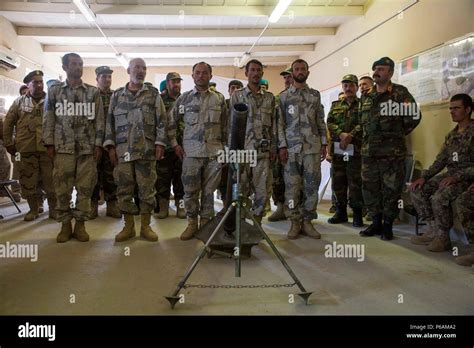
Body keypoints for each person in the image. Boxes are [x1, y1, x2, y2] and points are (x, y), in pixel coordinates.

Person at [43, 53, 104, 243]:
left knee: (85, 189)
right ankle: (64, 225)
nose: (78, 67)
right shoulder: (54, 91)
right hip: (63, 149)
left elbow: (99, 120)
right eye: (74, 64)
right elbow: (48, 117)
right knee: (62, 189)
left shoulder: (93, 92)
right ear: (65, 67)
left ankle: (80, 225)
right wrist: (49, 143)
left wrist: (98, 145)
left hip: (87, 149)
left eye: (81, 64)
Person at [104, 58, 167, 242]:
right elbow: (110, 123)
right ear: (129, 70)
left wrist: (160, 144)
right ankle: (128, 226)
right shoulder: (117, 96)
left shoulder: (153, 95)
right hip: (123, 151)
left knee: (147, 189)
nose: (141, 71)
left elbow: (162, 120)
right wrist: (110, 148)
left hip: (146, 151)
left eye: (144, 68)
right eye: (137, 68)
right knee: (124, 189)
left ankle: (146, 227)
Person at [359, 56, 421, 241]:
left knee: (391, 190)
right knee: (370, 189)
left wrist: (397, 133)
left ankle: (387, 225)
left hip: (391, 153)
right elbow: (364, 123)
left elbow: (414, 116)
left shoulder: (400, 93)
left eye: (382, 69)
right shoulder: (367, 95)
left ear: (391, 72)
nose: (377, 72)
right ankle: (375, 222)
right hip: (369, 152)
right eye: (376, 68)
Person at [168, 62, 227, 240]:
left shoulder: (219, 99)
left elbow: (226, 127)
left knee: (209, 193)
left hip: (213, 154)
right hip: (191, 154)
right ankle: (192, 224)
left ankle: (206, 226)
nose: (201, 76)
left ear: (210, 75)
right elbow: (170, 122)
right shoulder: (184, 99)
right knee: (190, 191)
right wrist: (175, 144)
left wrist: (225, 150)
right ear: (193, 76)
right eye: (197, 73)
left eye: (204, 73)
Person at [410, 93, 473, 251]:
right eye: (450, 108)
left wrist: (457, 176)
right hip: (450, 175)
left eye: (456, 108)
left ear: (468, 109)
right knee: (417, 190)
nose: (452, 111)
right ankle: (433, 231)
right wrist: (423, 177)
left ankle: (444, 238)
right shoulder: (451, 136)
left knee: (440, 197)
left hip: (467, 177)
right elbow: (440, 161)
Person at [277, 59, 327, 239]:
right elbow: (280, 124)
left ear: (307, 71)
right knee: (292, 187)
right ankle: (294, 222)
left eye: (302, 69)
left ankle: (307, 222)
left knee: (312, 185)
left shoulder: (315, 95)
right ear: (292, 72)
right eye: (296, 69)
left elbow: (320, 120)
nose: (299, 71)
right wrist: (282, 145)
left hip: (312, 148)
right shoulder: (283, 97)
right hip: (291, 149)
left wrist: (324, 142)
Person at [3, 70, 57, 221]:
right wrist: (8, 143)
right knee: (28, 182)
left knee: (51, 182)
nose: (39, 85)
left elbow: (60, 123)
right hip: (25, 149)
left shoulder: (51, 101)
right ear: (28, 84)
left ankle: (54, 209)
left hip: (47, 149)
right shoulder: (19, 102)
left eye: (41, 82)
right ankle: (33, 209)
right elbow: (8, 124)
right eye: (35, 82)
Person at [229, 59, 276, 225]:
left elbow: (274, 126)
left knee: (262, 190)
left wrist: (273, 149)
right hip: (243, 153)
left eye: (258, 70)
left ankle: (257, 223)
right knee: (240, 190)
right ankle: (240, 223)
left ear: (262, 73)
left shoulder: (270, 98)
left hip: (262, 153)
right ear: (246, 73)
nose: (255, 73)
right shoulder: (237, 96)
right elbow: (231, 125)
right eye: (252, 70)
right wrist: (232, 152)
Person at [326, 74, 363, 227]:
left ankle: (357, 214)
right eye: (345, 86)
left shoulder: (363, 105)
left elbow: (365, 123)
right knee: (339, 181)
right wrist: (341, 134)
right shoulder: (336, 105)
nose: (348, 88)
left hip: (356, 149)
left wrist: (351, 136)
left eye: (351, 85)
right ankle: (340, 212)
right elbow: (330, 122)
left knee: (355, 183)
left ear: (356, 87)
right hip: (339, 150)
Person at [90, 66, 121, 219]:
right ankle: (93, 204)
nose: (107, 79)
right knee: (93, 174)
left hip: (111, 142)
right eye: (104, 76)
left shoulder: (117, 96)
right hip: (92, 141)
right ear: (97, 79)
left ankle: (112, 204)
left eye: (109, 76)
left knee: (111, 174)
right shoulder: (91, 95)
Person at [155, 72, 185, 219]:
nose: (176, 84)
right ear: (167, 84)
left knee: (181, 180)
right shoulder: (160, 100)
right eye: (173, 82)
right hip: (165, 147)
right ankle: (163, 208)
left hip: (182, 148)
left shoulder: (185, 99)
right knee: (162, 180)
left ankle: (181, 207)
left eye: (178, 81)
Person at [268, 68, 293, 222]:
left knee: (299, 178)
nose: (287, 80)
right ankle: (280, 207)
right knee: (278, 177)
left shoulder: (307, 96)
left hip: (299, 145)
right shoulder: (277, 99)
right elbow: (272, 122)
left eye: (289, 77)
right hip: (279, 144)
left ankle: (299, 211)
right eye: (285, 78)